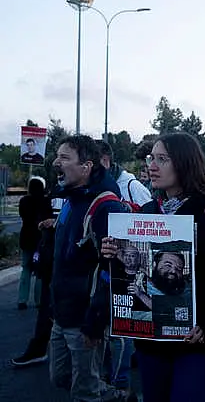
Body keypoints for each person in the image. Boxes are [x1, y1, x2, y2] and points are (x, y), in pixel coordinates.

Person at [101, 132, 205, 401]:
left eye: (162, 159)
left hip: (199, 343)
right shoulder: (146, 212)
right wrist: (112, 254)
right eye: (151, 158)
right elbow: (131, 272)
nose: (152, 166)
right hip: (152, 344)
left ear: (184, 163)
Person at [48, 135, 128, 402]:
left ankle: (107, 394)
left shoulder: (106, 207)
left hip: (85, 318)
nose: (56, 162)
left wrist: (96, 322)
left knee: (84, 393)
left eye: (65, 157)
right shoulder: (71, 199)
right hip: (62, 312)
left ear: (86, 167)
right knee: (60, 377)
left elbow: (114, 270)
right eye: (57, 155)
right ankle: (113, 395)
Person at [96, 140, 151, 399]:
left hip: (131, 269)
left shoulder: (131, 186)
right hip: (107, 270)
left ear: (105, 161)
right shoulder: (93, 189)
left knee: (123, 329)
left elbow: (154, 223)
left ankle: (122, 382)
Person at [11, 195, 56, 367]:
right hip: (48, 257)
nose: (58, 166)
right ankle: (39, 348)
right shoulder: (56, 192)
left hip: (71, 267)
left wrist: (56, 222)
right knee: (46, 308)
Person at [17, 176, 51, 309]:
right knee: (39, 272)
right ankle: (38, 300)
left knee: (25, 268)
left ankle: (22, 299)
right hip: (40, 239)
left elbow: (22, 216)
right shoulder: (46, 201)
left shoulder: (24, 201)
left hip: (26, 238)